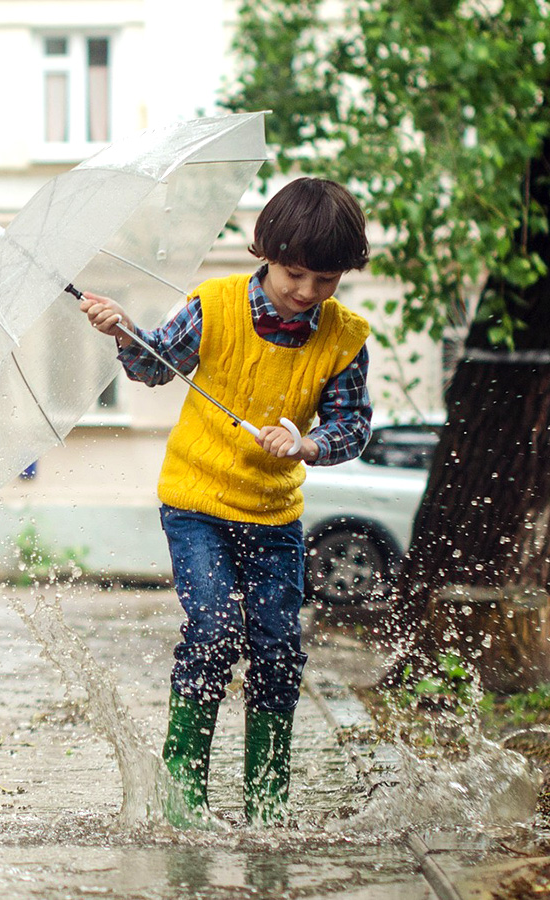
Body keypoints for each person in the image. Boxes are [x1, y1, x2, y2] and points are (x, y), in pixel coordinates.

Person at [80, 177, 373, 828]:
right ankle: (184, 803)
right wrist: (124, 331)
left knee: (277, 652)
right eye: (295, 273)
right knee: (213, 634)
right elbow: (154, 367)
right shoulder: (213, 307)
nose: (307, 292)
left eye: (325, 280)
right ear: (265, 252)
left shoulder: (345, 338)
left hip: (274, 514)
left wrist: (309, 443)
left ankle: (267, 808)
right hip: (197, 502)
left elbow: (352, 427)